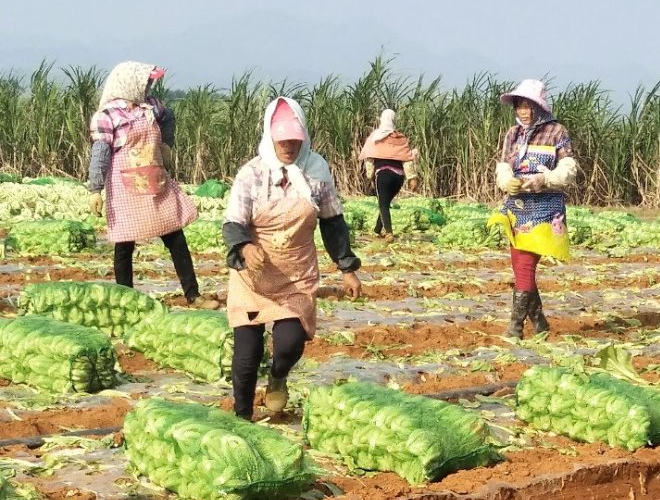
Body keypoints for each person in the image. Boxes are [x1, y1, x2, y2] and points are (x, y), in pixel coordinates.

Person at [223, 97, 362, 420]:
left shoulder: (316, 172)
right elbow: (233, 222)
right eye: (282, 138)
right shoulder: (252, 174)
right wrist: (244, 247)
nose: (288, 145)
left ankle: (278, 375)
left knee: (289, 344)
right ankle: (242, 418)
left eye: (294, 138)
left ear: (304, 136)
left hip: (295, 274)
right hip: (252, 276)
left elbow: (332, 221)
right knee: (246, 352)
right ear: (270, 136)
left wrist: (347, 268)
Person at [88, 62, 212, 306]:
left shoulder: (152, 106)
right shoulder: (108, 115)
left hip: (156, 181)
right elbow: (100, 153)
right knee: (124, 244)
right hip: (125, 188)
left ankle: (192, 294)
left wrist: (165, 145)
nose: (148, 86)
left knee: (175, 236)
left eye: (149, 83)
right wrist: (95, 189)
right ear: (129, 83)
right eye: (145, 82)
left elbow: (169, 118)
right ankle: (127, 299)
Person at [490, 78, 577, 338]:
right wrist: (507, 180)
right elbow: (504, 164)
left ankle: (515, 326)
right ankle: (540, 323)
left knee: (525, 263)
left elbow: (569, 169)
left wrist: (544, 179)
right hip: (517, 207)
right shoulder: (512, 134)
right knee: (519, 263)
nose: (523, 111)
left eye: (528, 106)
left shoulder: (557, 132)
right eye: (519, 106)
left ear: (539, 107)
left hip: (545, 207)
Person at [359, 109, 418, 241]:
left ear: (382, 119)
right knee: (385, 202)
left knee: (382, 204)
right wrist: (412, 178)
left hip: (383, 174)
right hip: (398, 177)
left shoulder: (375, 137)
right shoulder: (400, 138)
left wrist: (370, 175)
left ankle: (389, 232)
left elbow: (369, 159)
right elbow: (407, 160)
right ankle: (377, 229)